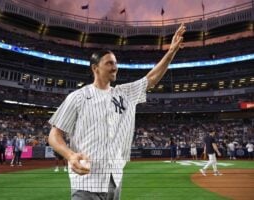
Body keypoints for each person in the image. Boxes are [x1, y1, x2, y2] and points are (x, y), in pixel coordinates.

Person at [48, 24, 186, 199]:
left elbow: (150, 79)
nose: (115, 67)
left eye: (115, 63)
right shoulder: (78, 97)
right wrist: (70, 155)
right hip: (86, 182)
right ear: (95, 68)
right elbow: (54, 135)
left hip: (114, 182)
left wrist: (171, 51)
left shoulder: (124, 93)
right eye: (109, 63)